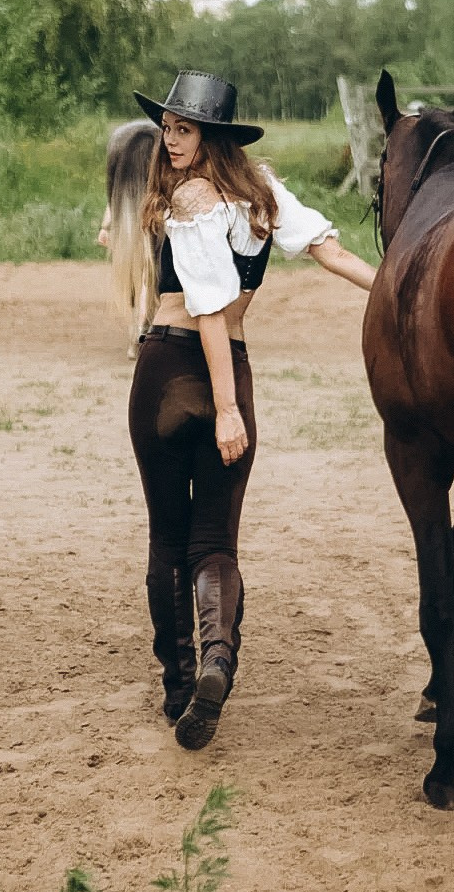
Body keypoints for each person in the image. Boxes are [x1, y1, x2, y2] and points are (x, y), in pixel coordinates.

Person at [124, 70, 376, 751]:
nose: (170, 140)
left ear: (211, 136)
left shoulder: (190, 197)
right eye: (166, 128)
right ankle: (216, 661)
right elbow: (329, 251)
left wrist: (226, 409)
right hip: (226, 362)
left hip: (169, 370)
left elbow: (206, 306)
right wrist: (392, 285)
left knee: (169, 537)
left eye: (183, 129)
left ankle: (181, 685)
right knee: (214, 541)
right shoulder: (261, 191)